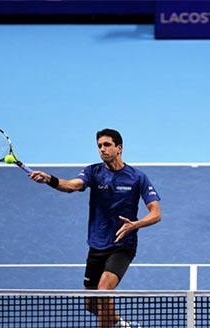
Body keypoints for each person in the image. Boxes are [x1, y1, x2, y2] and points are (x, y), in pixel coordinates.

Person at [30, 128, 162, 327]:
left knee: (103, 292)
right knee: (92, 305)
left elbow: (156, 213)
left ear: (119, 148)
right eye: (99, 146)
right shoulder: (93, 172)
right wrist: (50, 179)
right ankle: (122, 325)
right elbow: (72, 185)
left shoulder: (137, 177)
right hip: (97, 245)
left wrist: (135, 225)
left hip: (122, 245)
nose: (102, 149)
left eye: (107, 145)